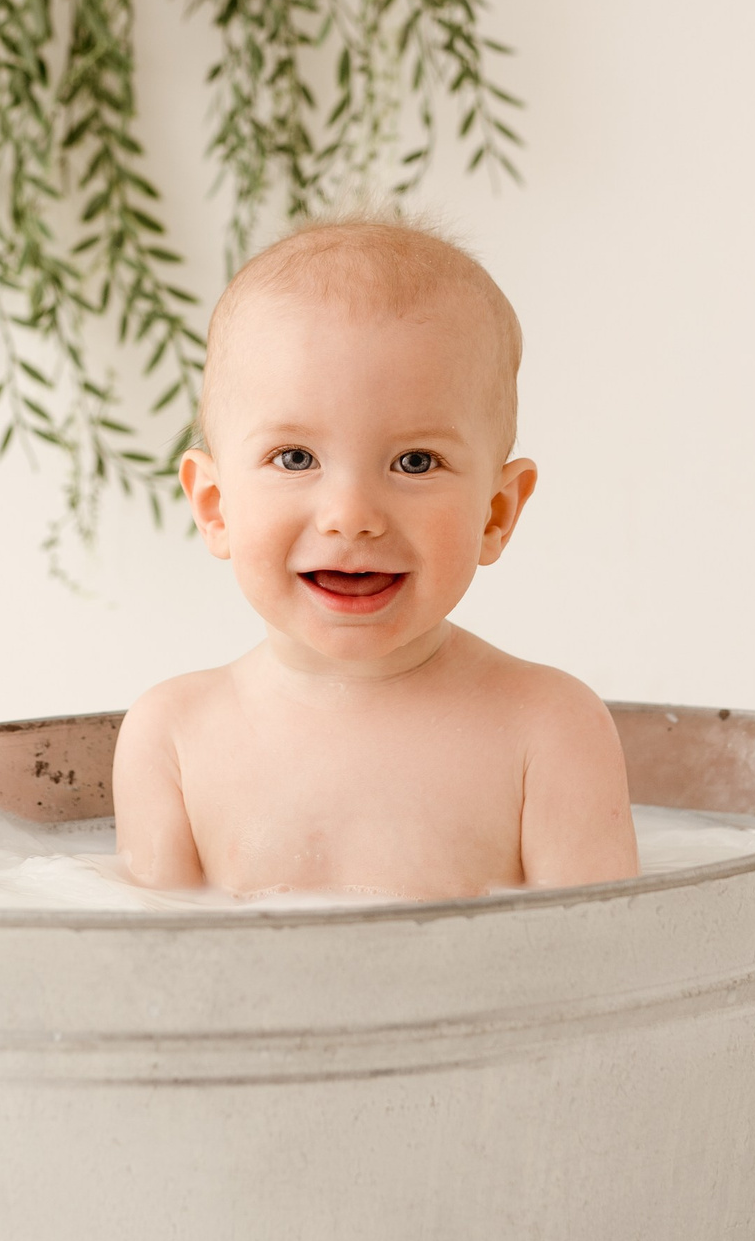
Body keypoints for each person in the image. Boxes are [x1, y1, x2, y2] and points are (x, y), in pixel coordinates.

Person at [113, 212, 638, 899]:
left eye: (415, 461)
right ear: (215, 507)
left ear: (496, 512)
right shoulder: (173, 739)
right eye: (295, 458)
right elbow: (150, 960)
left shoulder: (549, 731)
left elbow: (605, 955)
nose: (351, 516)